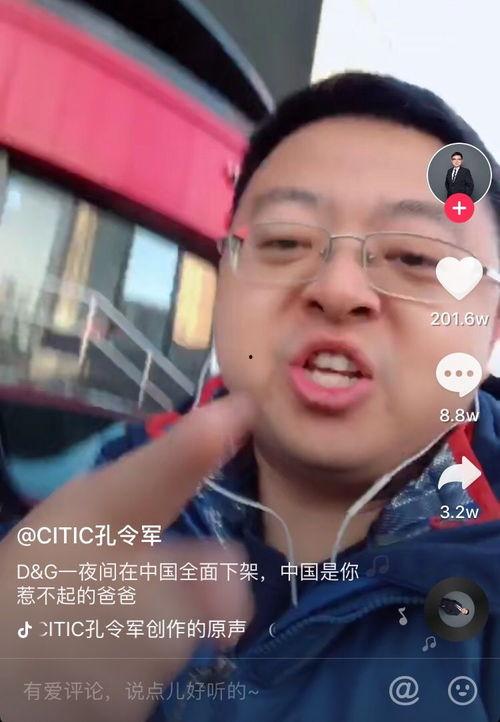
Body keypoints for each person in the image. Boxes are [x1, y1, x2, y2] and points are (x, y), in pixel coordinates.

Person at [1, 71, 500, 722]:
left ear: (492, 325)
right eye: (285, 242)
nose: (337, 288)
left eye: (413, 257)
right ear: (225, 279)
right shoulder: (61, 502)